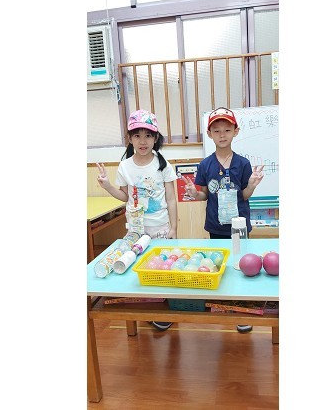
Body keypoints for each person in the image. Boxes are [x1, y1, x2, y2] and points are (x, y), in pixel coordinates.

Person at [183, 106, 264, 333]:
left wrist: (251, 185)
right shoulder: (205, 165)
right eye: (217, 130)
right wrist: (194, 193)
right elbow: (204, 195)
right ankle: (223, 306)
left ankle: (242, 309)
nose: (222, 135)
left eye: (227, 130)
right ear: (209, 134)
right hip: (216, 226)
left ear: (235, 131)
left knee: (243, 266)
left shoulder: (243, 163)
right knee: (219, 265)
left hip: (239, 226)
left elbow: (244, 195)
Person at [96, 109, 177, 332]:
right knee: (136, 267)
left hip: (160, 227)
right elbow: (125, 196)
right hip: (136, 229)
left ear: (155, 138)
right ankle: (145, 309)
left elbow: (171, 198)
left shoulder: (162, 164)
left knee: (161, 268)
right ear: (130, 138)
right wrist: (107, 186)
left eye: (148, 135)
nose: (143, 141)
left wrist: (174, 227)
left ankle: (164, 310)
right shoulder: (125, 166)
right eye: (137, 135)